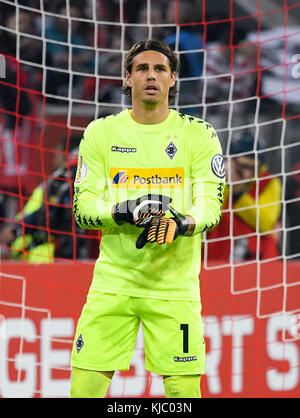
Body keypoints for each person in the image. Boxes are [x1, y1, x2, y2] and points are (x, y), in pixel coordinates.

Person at [70, 39, 225, 399]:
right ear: (127, 79)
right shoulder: (100, 133)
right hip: (114, 284)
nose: (150, 76)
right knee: (83, 391)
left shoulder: (198, 135)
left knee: (184, 395)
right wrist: (122, 212)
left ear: (173, 79)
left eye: (159, 69)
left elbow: (210, 207)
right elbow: (82, 209)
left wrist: (180, 223)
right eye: (142, 69)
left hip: (174, 287)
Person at [207, 133, 281, 262]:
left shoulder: (269, 182)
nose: (247, 173)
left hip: (260, 259)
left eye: (253, 168)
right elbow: (209, 222)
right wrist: (224, 184)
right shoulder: (215, 180)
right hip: (218, 258)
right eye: (242, 166)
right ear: (230, 161)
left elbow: (264, 223)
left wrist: (238, 192)